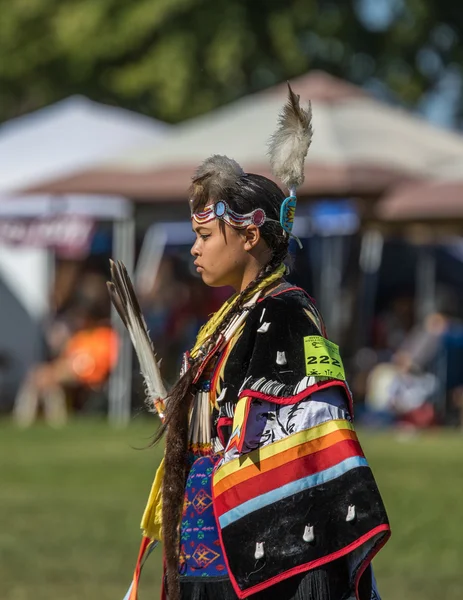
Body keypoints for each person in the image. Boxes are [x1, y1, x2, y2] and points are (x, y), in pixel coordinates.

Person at [121, 86, 390, 600]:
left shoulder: (286, 311)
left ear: (249, 237)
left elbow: (311, 420)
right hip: (202, 534)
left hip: (253, 538)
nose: (195, 250)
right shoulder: (225, 318)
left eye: (205, 235)